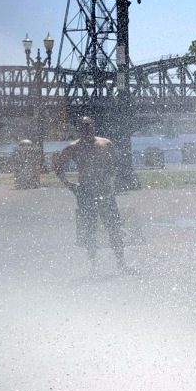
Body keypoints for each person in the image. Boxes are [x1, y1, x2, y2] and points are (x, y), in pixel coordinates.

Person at [52, 116, 130, 273]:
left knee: (113, 228)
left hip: (105, 191)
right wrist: (70, 186)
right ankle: (93, 265)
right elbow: (58, 166)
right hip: (86, 192)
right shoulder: (73, 148)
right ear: (78, 129)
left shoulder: (105, 144)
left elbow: (120, 161)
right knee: (90, 229)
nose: (86, 128)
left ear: (93, 126)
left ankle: (121, 263)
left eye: (88, 125)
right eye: (82, 126)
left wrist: (116, 181)